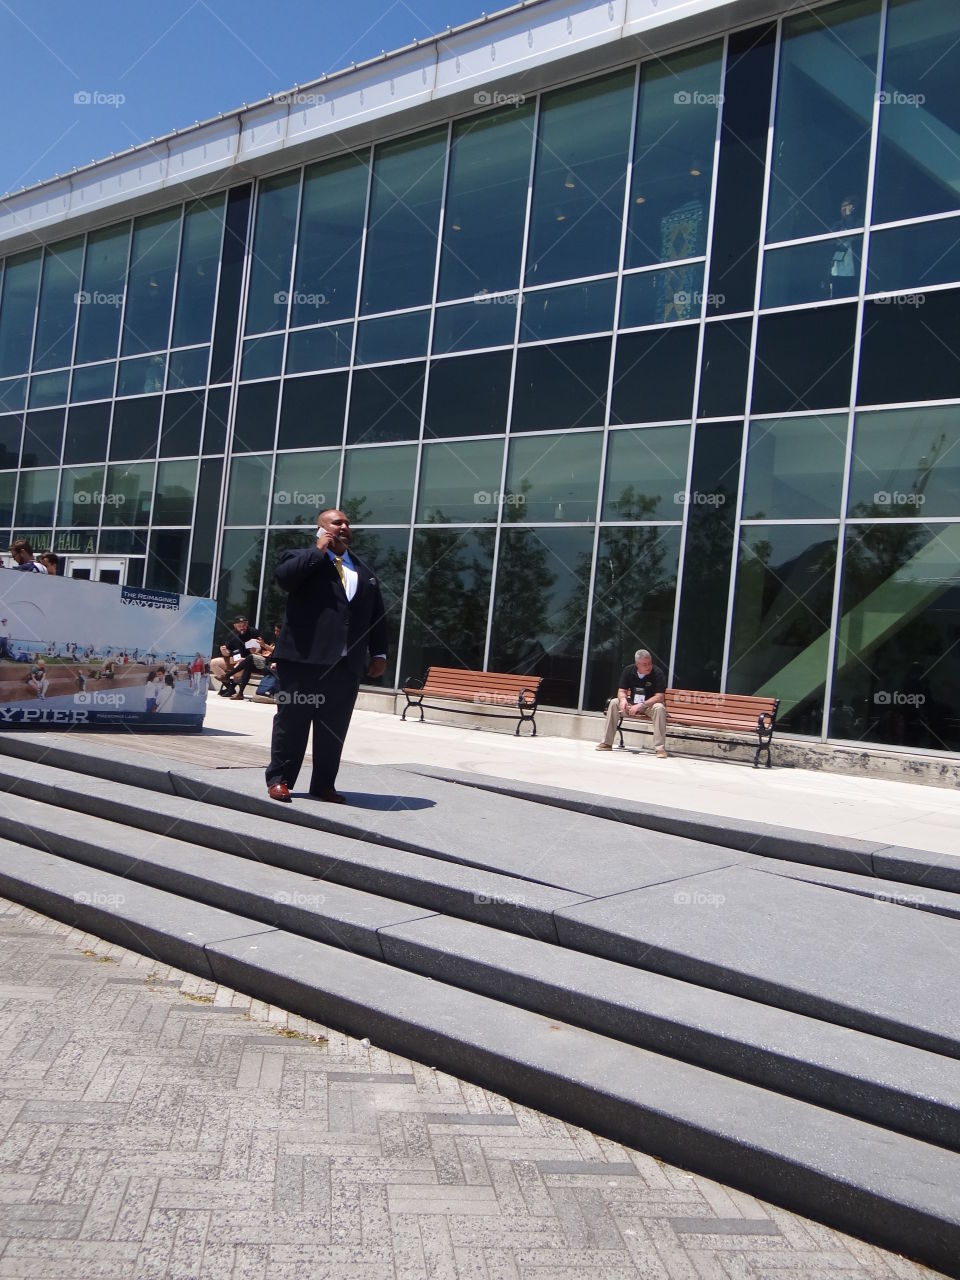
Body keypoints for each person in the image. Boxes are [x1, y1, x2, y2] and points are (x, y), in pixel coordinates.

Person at [265, 509, 387, 804]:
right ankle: (280, 780)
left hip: (345, 666)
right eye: (336, 522)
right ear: (321, 529)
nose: (343, 526)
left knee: (333, 727)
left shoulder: (364, 572)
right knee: (291, 722)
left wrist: (379, 653)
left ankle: (323, 785)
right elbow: (285, 580)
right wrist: (318, 549)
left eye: (346, 523)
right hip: (302, 661)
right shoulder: (300, 558)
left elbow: (377, 618)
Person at [596, 648, 669, 758]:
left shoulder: (657, 673)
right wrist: (623, 700)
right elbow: (621, 690)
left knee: (659, 708)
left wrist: (641, 705)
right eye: (645, 664)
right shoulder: (628, 670)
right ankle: (606, 742)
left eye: (650, 663)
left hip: (649, 706)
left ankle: (660, 748)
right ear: (637, 664)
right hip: (632, 704)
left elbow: (660, 696)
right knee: (615, 702)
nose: (648, 666)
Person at [214, 616, 263, 700]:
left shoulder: (253, 632)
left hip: (247, 661)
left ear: (247, 624)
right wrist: (224, 651)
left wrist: (255, 651)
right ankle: (230, 688)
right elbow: (228, 653)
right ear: (235, 626)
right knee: (214, 663)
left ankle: (230, 685)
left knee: (239, 670)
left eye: (244, 625)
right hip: (234, 659)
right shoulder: (231, 634)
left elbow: (259, 649)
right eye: (239, 625)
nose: (242, 627)